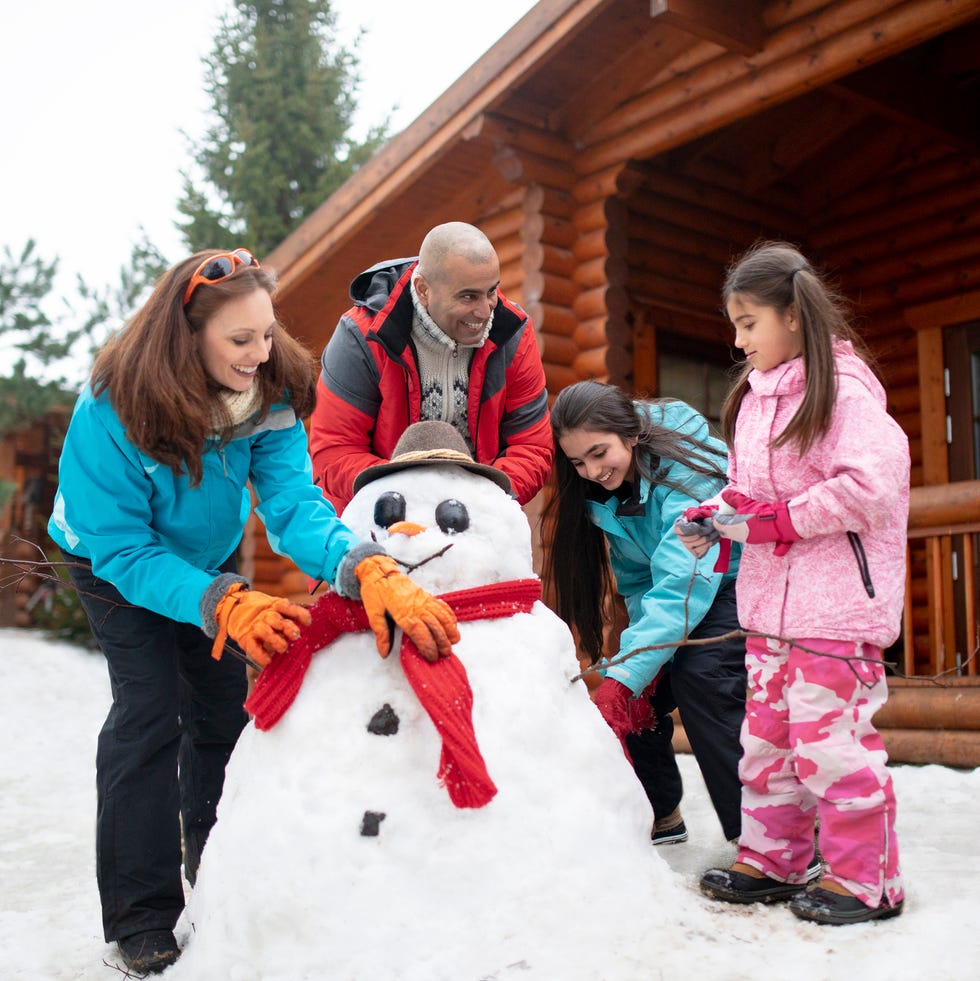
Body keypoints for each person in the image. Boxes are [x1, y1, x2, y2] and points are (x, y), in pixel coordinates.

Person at [47, 249, 459, 974]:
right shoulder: (113, 406)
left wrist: (360, 562)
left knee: (219, 712)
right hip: (113, 562)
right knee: (150, 709)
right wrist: (219, 601)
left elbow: (294, 506)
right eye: (240, 340)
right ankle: (141, 911)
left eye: (266, 333)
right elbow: (122, 545)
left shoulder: (270, 393)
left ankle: (218, 873)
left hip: (207, 559)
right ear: (188, 336)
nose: (260, 352)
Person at [678, 241, 910, 925]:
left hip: (834, 609)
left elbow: (871, 488)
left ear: (792, 316)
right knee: (769, 741)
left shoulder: (845, 389)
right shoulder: (755, 401)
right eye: (735, 323)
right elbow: (753, 493)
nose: (738, 337)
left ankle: (868, 880)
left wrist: (775, 522)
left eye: (749, 321)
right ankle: (774, 857)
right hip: (769, 609)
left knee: (831, 744)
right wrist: (720, 515)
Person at [542, 380, 747, 845]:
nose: (592, 471)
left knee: (701, 676)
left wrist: (637, 664)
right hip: (682, 597)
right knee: (637, 690)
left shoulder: (683, 470)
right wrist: (640, 663)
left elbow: (684, 574)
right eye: (577, 462)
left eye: (599, 453)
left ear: (630, 435)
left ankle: (766, 837)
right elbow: (638, 582)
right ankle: (659, 814)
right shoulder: (610, 497)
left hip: (736, 585)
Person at [309, 221, 553, 513]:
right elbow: (334, 452)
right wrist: (414, 498)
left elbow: (532, 447)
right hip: (379, 517)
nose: (485, 310)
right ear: (423, 290)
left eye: (491, 291)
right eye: (468, 296)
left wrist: (477, 501)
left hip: (478, 512)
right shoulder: (360, 336)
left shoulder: (513, 333)